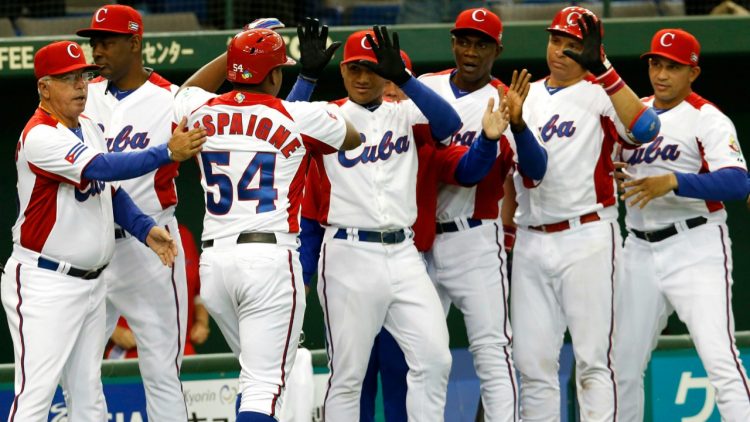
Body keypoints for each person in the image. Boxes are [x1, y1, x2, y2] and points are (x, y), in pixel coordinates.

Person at [1, 40, 204, 421]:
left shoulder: (88, 127)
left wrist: (144, 229)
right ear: (44, 88)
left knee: (89, 396)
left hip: (90, 283)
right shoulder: (41, 135)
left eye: (84, 76)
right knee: (35, 397)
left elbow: (110, 193)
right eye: (67, 79)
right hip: (47, 281)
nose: (80, 85)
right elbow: (104, 169)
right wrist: (166, 153)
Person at [173, 20, 361, 421]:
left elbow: (186, 90)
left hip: (216, 266)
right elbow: (351, 137)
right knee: (264, 385)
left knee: (255, 377)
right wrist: (308, 85)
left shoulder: (199, 108)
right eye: (281, 69)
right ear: (275, 75)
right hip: (269, 261)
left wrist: (237, 52)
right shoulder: (298, 114)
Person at [508, 6, 661, 421]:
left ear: (591, 51)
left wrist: (605, 68)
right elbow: (516, 174)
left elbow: (646, 129)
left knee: (595, 360)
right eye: (556, 40)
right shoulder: (527, 94)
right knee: (533, 363)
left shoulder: (601, 92)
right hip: (530, 238)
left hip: (587, 235)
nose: (560, 51)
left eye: (573, 45)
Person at [418, 9, 549, 420]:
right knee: (423, 356)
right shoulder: (426, 86)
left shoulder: (506, 100)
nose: (471, 51)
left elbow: (537, 170)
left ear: (497, 50)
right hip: (420, 243)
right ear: (453, 42)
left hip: (474, 238)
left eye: (482, 43)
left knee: (491, 350)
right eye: (465, 41)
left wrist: (521, 124)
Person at [614, 28, 750, 421]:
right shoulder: (633, 113)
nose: (661, 73)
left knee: (720, 360)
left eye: (672, 66)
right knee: (621, 368)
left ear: (693, 72)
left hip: (695, 244)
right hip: (637, 248)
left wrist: (674, 180)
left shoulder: (707, 117)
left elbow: (737, 182)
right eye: (656, 63)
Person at [74, 5, 191, 419]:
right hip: (94, 245)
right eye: (93, 42)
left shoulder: (172, 99)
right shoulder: (83, 98)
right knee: (80, 373)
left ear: (135, 43)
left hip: (152, 250)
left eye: (106, 42)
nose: (97, 51)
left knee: (161, 372)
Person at [106, 223, 210, 358]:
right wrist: (114, 331)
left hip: (181, 347)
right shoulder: (121, 236)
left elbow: (197, 291)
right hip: (131, 350)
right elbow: (94, 289)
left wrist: (202, 322)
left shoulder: (184, 235)